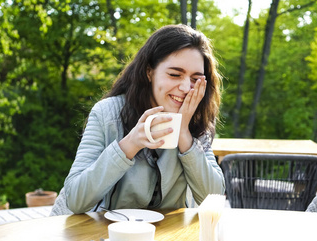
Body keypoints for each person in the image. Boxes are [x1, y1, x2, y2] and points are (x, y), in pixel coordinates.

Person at [51, 24, 225, 216]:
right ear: (149, 72)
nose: (185, 87)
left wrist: (184, 133)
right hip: (105, 236)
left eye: (195, 79)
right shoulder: (107, 113)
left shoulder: (197, 119)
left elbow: (213, 197)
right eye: (175, 74)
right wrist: (129, 145)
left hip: (166, 238)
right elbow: (75, 199)